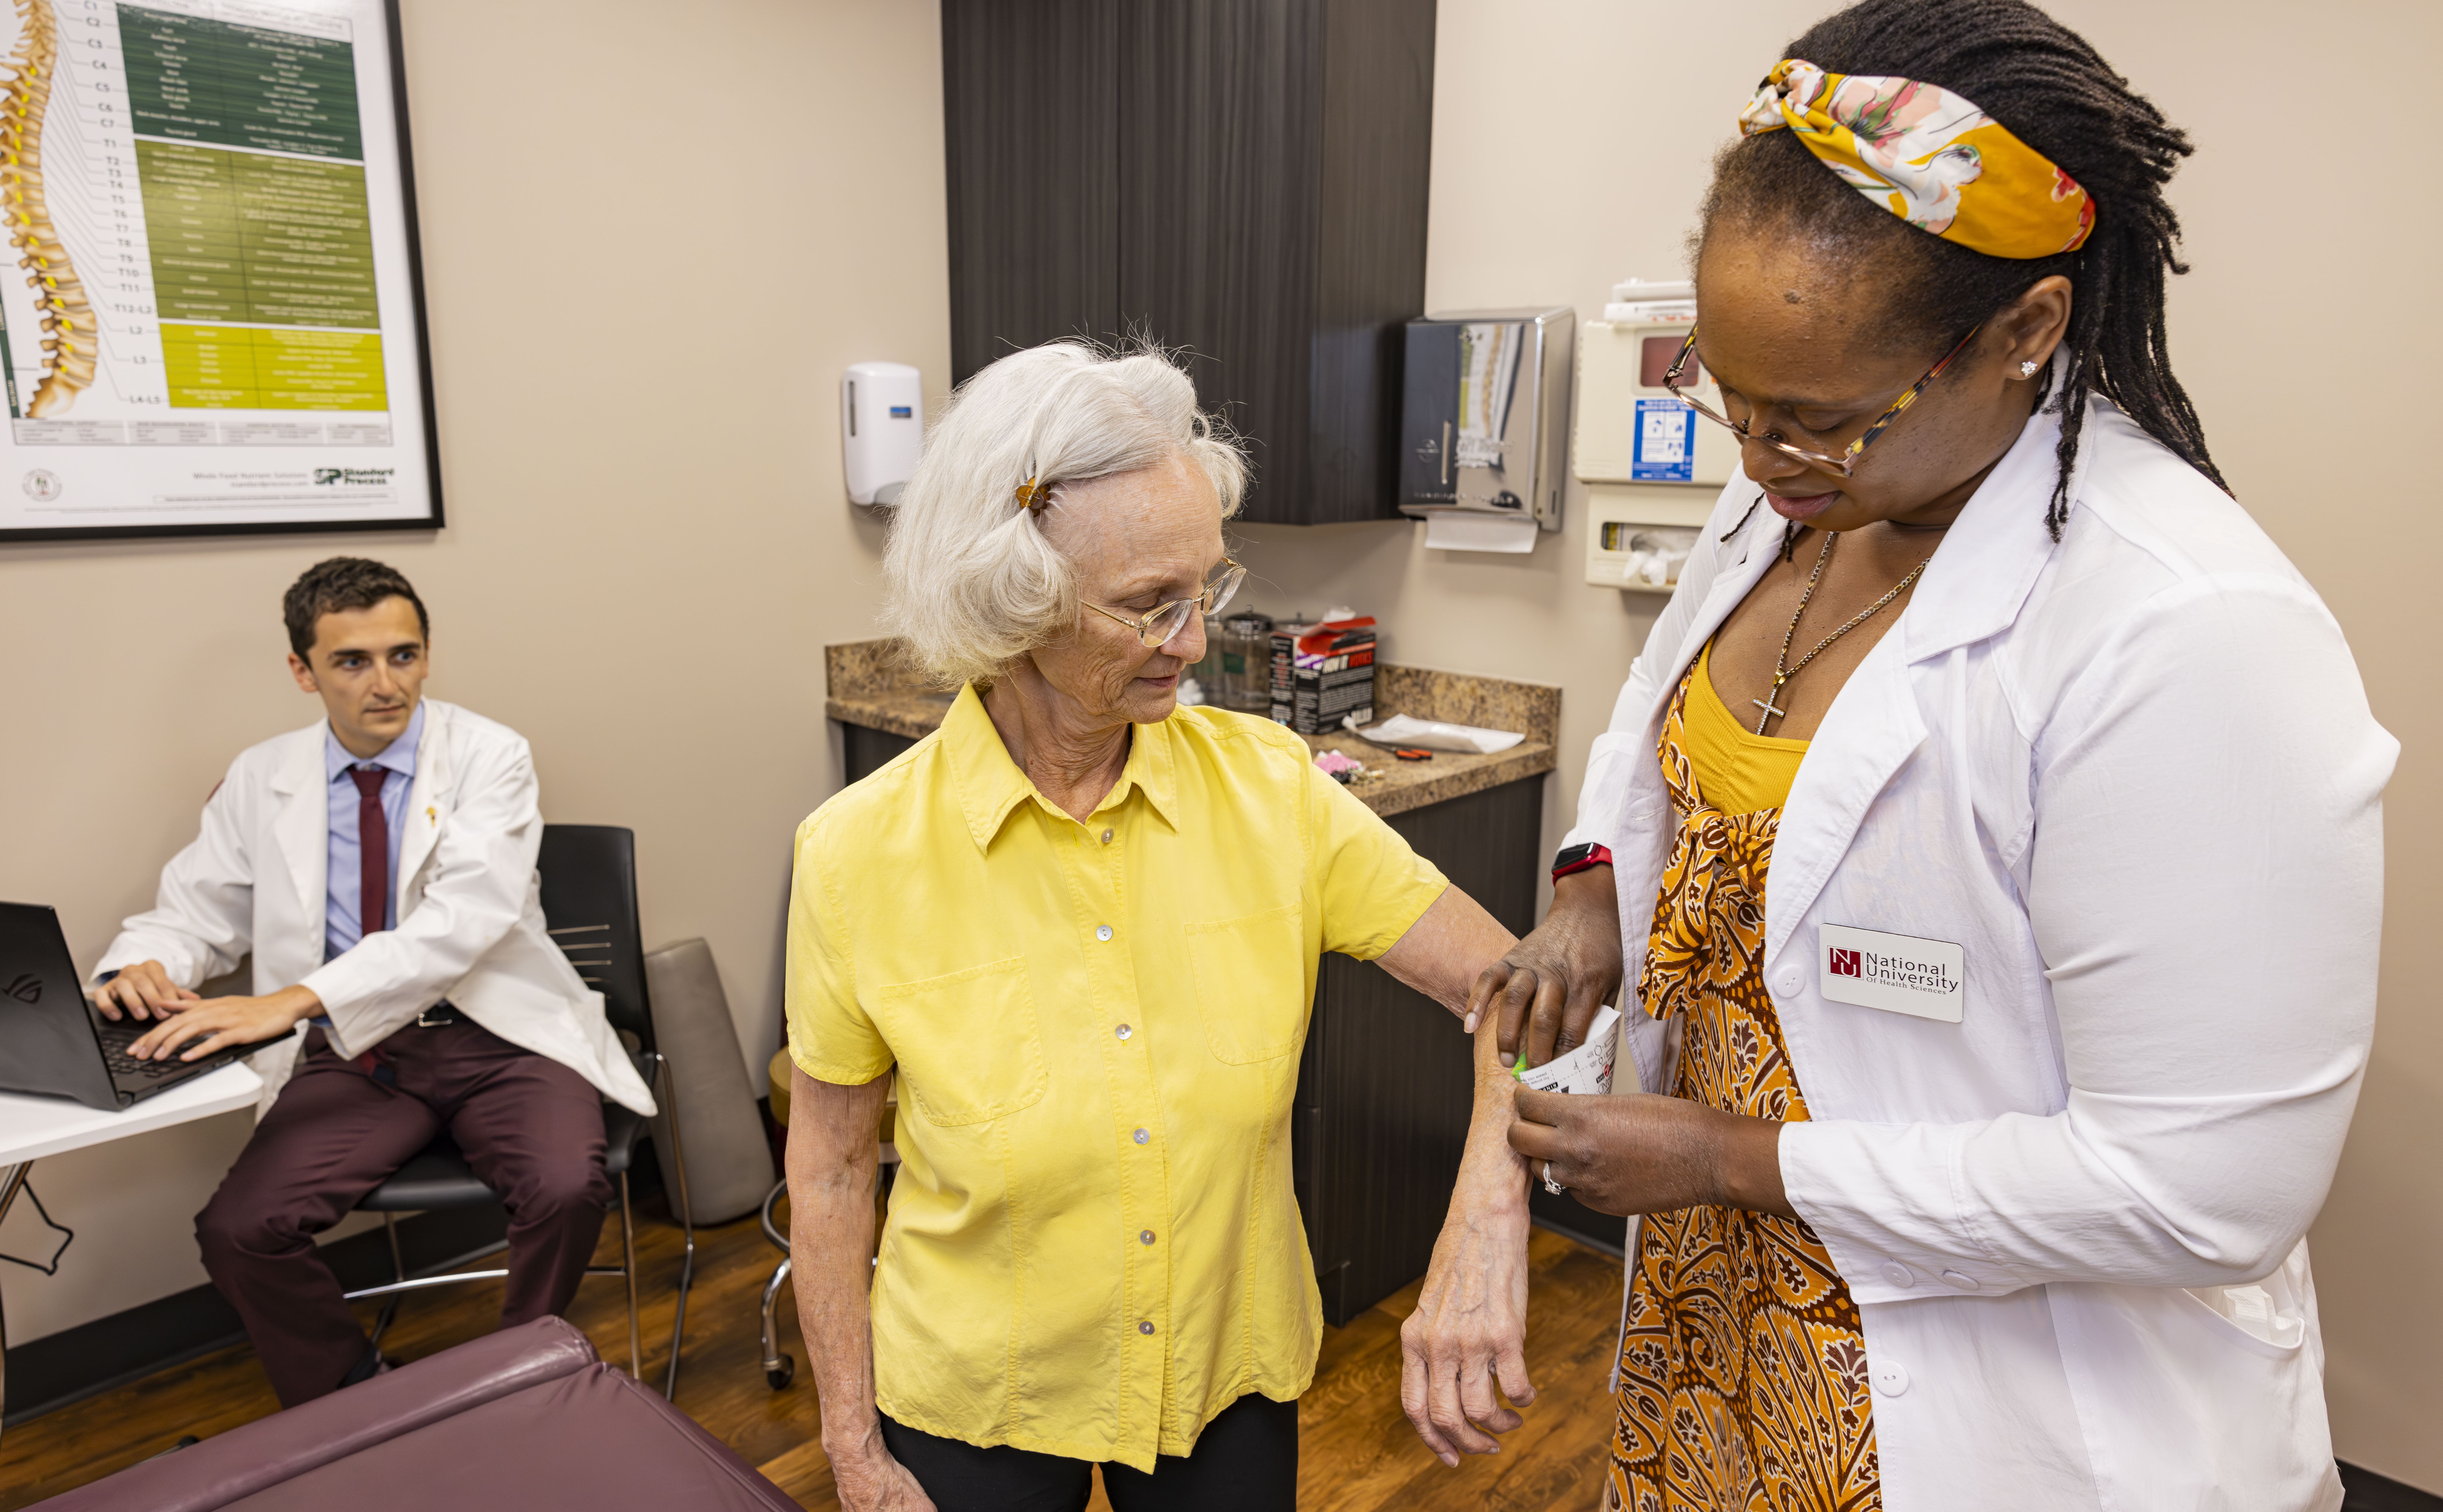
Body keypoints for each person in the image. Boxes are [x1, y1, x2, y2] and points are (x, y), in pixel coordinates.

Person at [1400, 4, 2394, 1509]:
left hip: (1998, 1418)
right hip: (1717, 1337)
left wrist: (1729, 1158)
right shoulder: (1794, 501)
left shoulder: (2185, 635)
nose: (1752, 460)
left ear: (2025, 333)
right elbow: (1647, 728)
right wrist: (1594, 887)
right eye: (1724, 396)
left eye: (1810, 418)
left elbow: (2201, 1197)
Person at [783, 343, 1518, 1512]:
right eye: (1144, 605)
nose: (1194, 639)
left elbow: (1515, 991)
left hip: (1220, 1366)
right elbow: (825, 1172)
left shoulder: (1272, 789)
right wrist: (854, 1452)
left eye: (1207, 588)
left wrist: (1487, 1215)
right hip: (973, 1385)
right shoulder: (855, 852)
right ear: (1006, 599)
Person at [92, 557, 654, 1407]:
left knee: (568, 1186)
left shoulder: (490, 754)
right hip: (360, 1058)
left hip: (498, 1037)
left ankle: (517, 1382)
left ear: (427, 655)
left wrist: (292, 1001)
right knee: (240, 1231)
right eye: (352, 662)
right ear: (303, 671)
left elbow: (465, 919)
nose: (384, 683)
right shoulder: (262, 777)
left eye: (404, 655)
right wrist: (143, 967)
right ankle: (358, 1402)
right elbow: (197, 912)